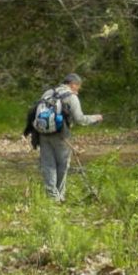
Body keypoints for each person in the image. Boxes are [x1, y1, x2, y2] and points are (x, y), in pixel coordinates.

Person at [32, 73, 102, 202]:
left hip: (43, 134)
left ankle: (52, 197)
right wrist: (95, 118)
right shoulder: (71, 97)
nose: (78, 91)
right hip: (62, 136)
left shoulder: (48, 93)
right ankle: (59, 196)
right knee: (62, 165)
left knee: (48, 164)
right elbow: (80, 119)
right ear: (73, 84)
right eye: (78, 87)